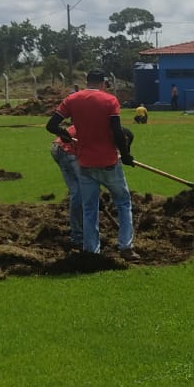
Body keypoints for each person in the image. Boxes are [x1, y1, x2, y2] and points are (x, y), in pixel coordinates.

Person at [45, 69, 138, 260]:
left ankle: (90, 250)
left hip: (84, 163)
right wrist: (126, 155)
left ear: (88, 82)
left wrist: (65, 134)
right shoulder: (110, 101)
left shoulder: (72, 99)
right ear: (103, 82)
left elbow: (51, 125)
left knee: (89, 208)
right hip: (108, 162)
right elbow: (117, 132)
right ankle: (126, 247)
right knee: (123, 202)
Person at [49, 123, 84, 251]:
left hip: (58, 147)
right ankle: (79, 236)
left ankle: (83, 232)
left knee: (78, 191)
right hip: (67, 150)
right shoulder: (103, 128)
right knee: (81, 192)